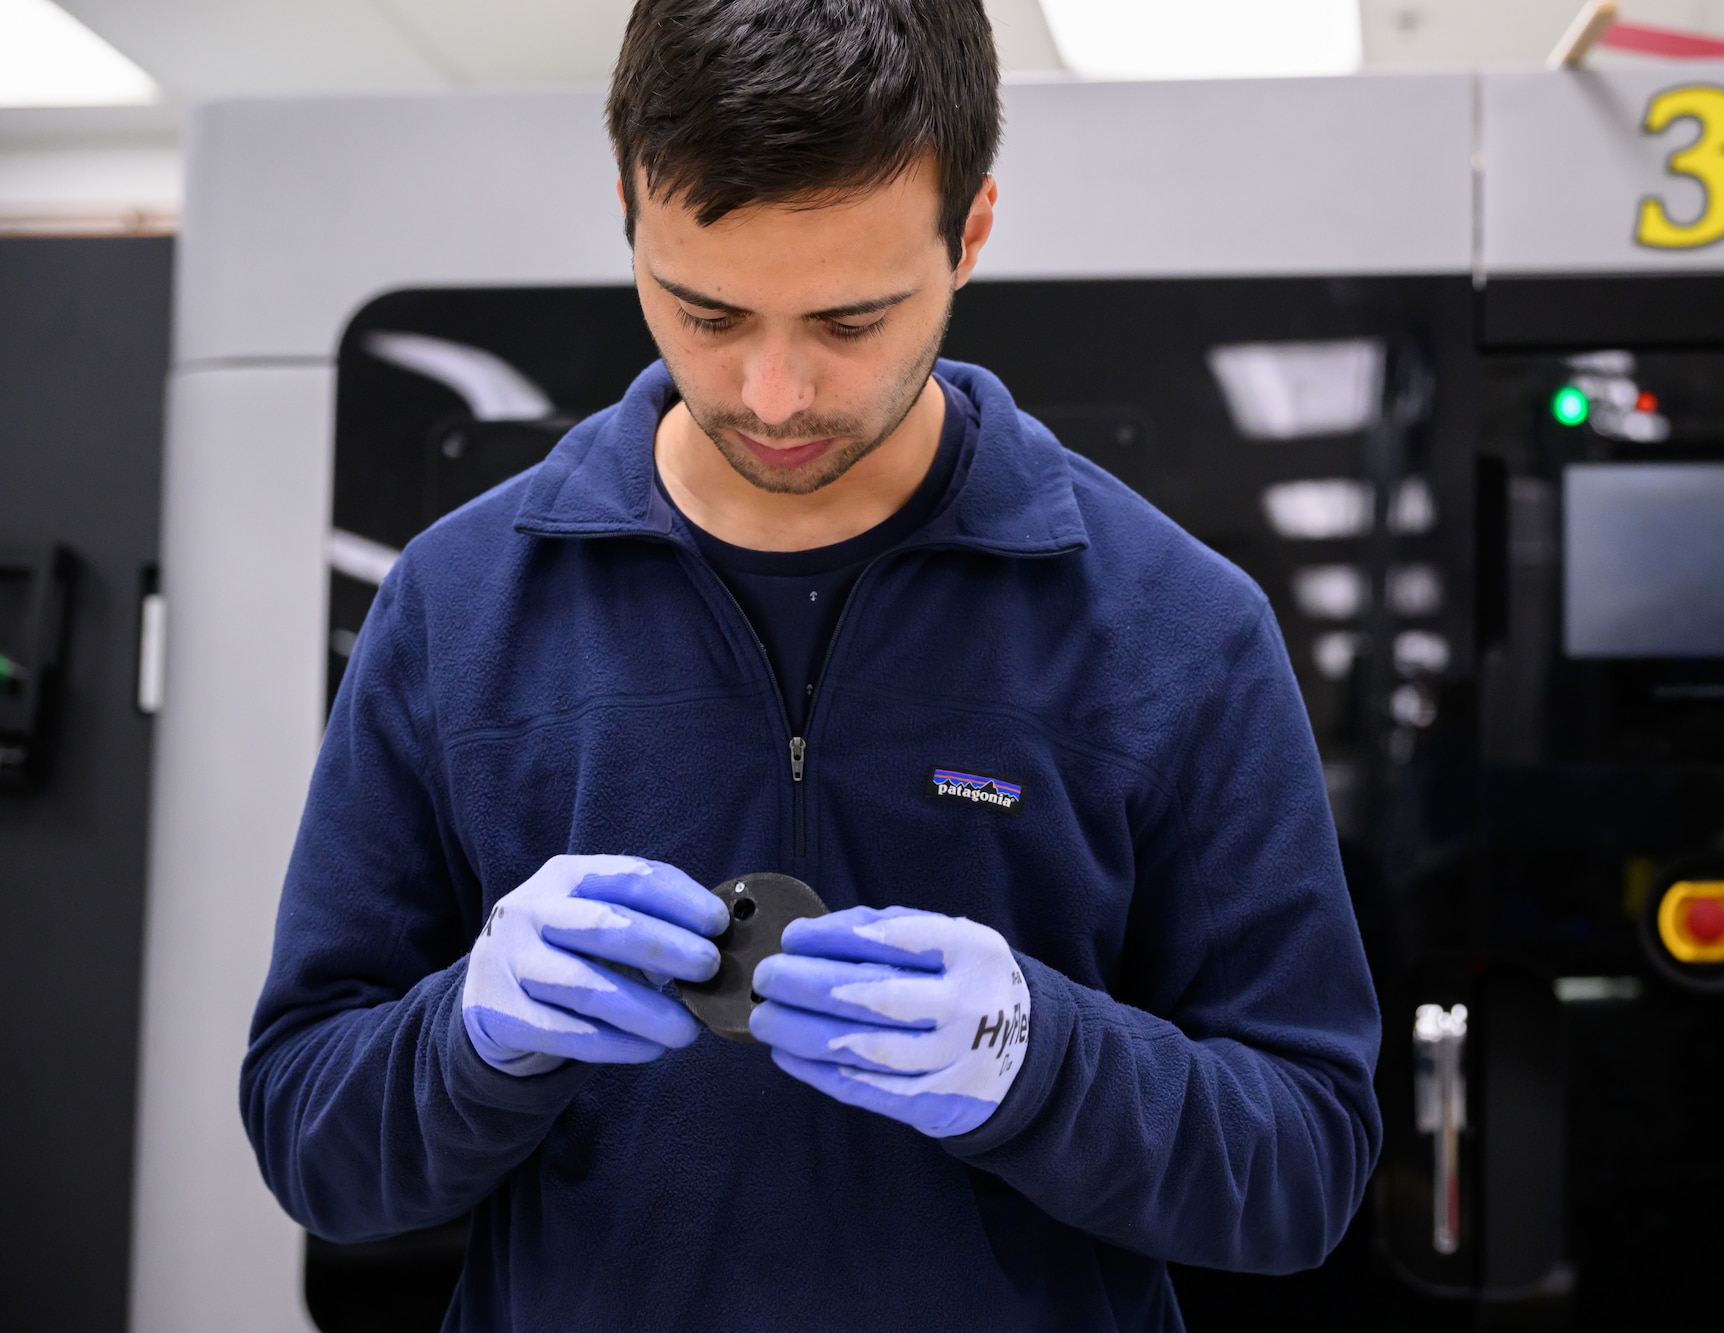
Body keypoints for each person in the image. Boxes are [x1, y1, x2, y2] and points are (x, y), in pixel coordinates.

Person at [240, 1, 1382, 1327]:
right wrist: (469, 1040)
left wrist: (1041, 1062)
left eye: (851, 322)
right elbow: (310, 1137)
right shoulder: (458, 603)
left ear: (975, 231)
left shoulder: (1176, 628)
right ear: (627, 209)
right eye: (707, 312)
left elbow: (1308, 1164)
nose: (774, 394)